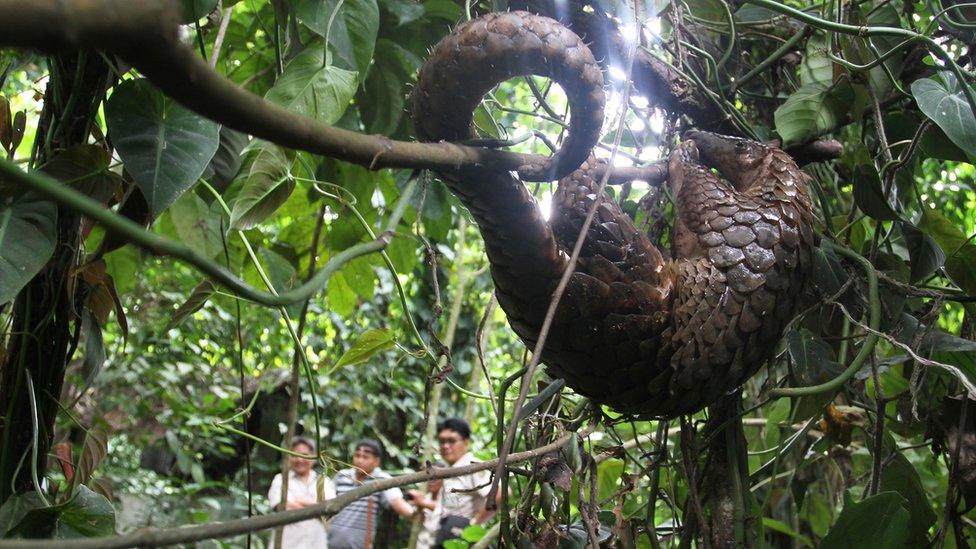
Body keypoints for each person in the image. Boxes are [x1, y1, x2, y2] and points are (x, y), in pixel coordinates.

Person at [409, 418, 502, 547]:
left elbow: (501, 493)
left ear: (465, 443)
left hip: (460, 538)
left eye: (451, 441)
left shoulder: (471, 467)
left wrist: (474, 523)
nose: (445, 446)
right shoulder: (450, 471)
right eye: (442, 441)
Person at [329, 439, 416, 549]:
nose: (359, 460)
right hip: (329, 543)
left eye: (365, 457)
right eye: (357, 455)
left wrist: (414, 514)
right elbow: (326, 502)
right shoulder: (342, 476)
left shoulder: (382, 480)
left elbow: (396, 502)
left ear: (376, 461)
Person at [267, 436, 334, 549]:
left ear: (313, 457)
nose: (299, 460)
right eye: (294, 455)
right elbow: (281, 506)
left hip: (316, 544)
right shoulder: (281, 479)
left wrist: (298, 502)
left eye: (304, 455)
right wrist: (315, 507)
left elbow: (329, 508)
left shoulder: (323, 481)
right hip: (285, 544)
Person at [408, 462, 445, 549]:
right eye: (429, 477)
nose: (431, 481)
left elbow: (447, 510)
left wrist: (423, 503)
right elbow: (414, 519)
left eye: (436, 478)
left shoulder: (449, 496)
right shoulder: (425, 496)